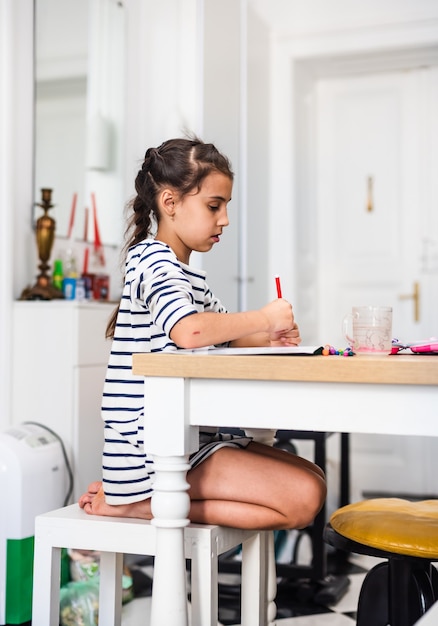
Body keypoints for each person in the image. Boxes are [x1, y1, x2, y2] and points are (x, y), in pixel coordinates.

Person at [79, 137, 326, 530]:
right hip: (153, 453)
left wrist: (270, 336)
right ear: (170, 203)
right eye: (214, 206)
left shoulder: (185, 273)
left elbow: (223, 334)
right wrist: (263, 317)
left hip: (184, 442)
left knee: (313, 481)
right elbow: (190, 330)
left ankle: (151, 503)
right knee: (303, 497)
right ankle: (141, 504)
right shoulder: (152, 260)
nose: (224, 219)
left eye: (225, 206)